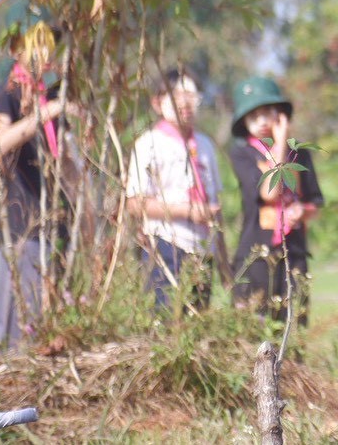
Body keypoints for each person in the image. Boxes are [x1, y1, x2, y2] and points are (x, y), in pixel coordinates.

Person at [0, 23, 68, 361]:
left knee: (42, 321)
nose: (45, 53)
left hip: (53, 225)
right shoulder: (7, 93)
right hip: (21, 223)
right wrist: (44, 113)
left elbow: (66, 162)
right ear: (18, 50)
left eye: (50, 46)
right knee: (11, 323)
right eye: (37, 44)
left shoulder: (53, 97)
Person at [227, 76, 324, 325]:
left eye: (266, 113)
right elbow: (269, 193)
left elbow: (314, 203)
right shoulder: (243, 153)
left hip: (294, 253)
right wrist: (280, 144)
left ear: (279, 115)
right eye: (252, 116)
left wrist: (302, 210)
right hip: (256, 255)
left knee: (293, 327)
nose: (260, 121)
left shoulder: (300, 153)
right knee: (254, 329)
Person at [125, 69, 221, 311]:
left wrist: (222, 254)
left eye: (192, 96)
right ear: (157, 103)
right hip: (165, 244)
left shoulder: (205, 145)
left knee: (197, 320)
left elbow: (215, 200)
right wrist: (188, 212)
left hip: (202, 248)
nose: (185, 103)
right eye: (177, 96)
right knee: (166, 317)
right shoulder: (149, 144)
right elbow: (135, 203)